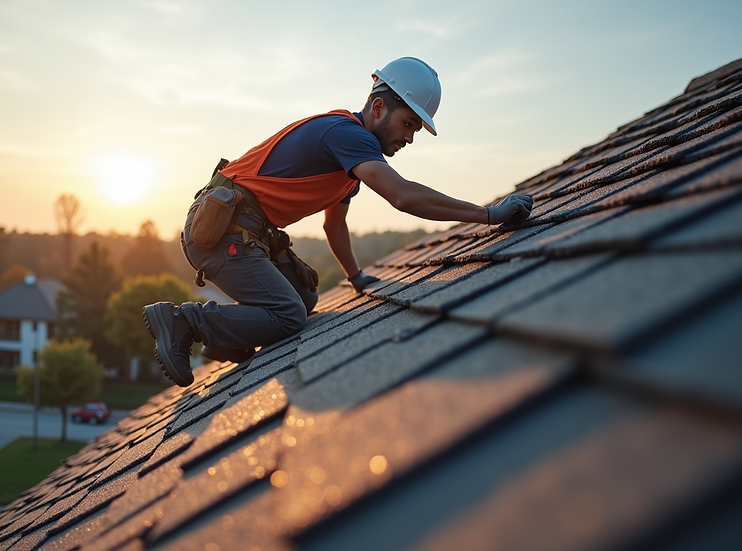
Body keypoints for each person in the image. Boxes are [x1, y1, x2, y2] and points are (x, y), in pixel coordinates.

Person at [143, 57, 533, 387]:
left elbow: (335, 225)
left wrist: (356, 276)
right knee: (288, 315)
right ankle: (182, 322)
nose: (410, 138)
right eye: (408, 124)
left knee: (306, 295)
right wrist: (489, 215)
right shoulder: (347, 134)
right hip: (220, 231)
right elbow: (404, 196)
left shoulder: (351, 162)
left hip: (248, 234)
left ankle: (228, 340)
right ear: (378, 108)